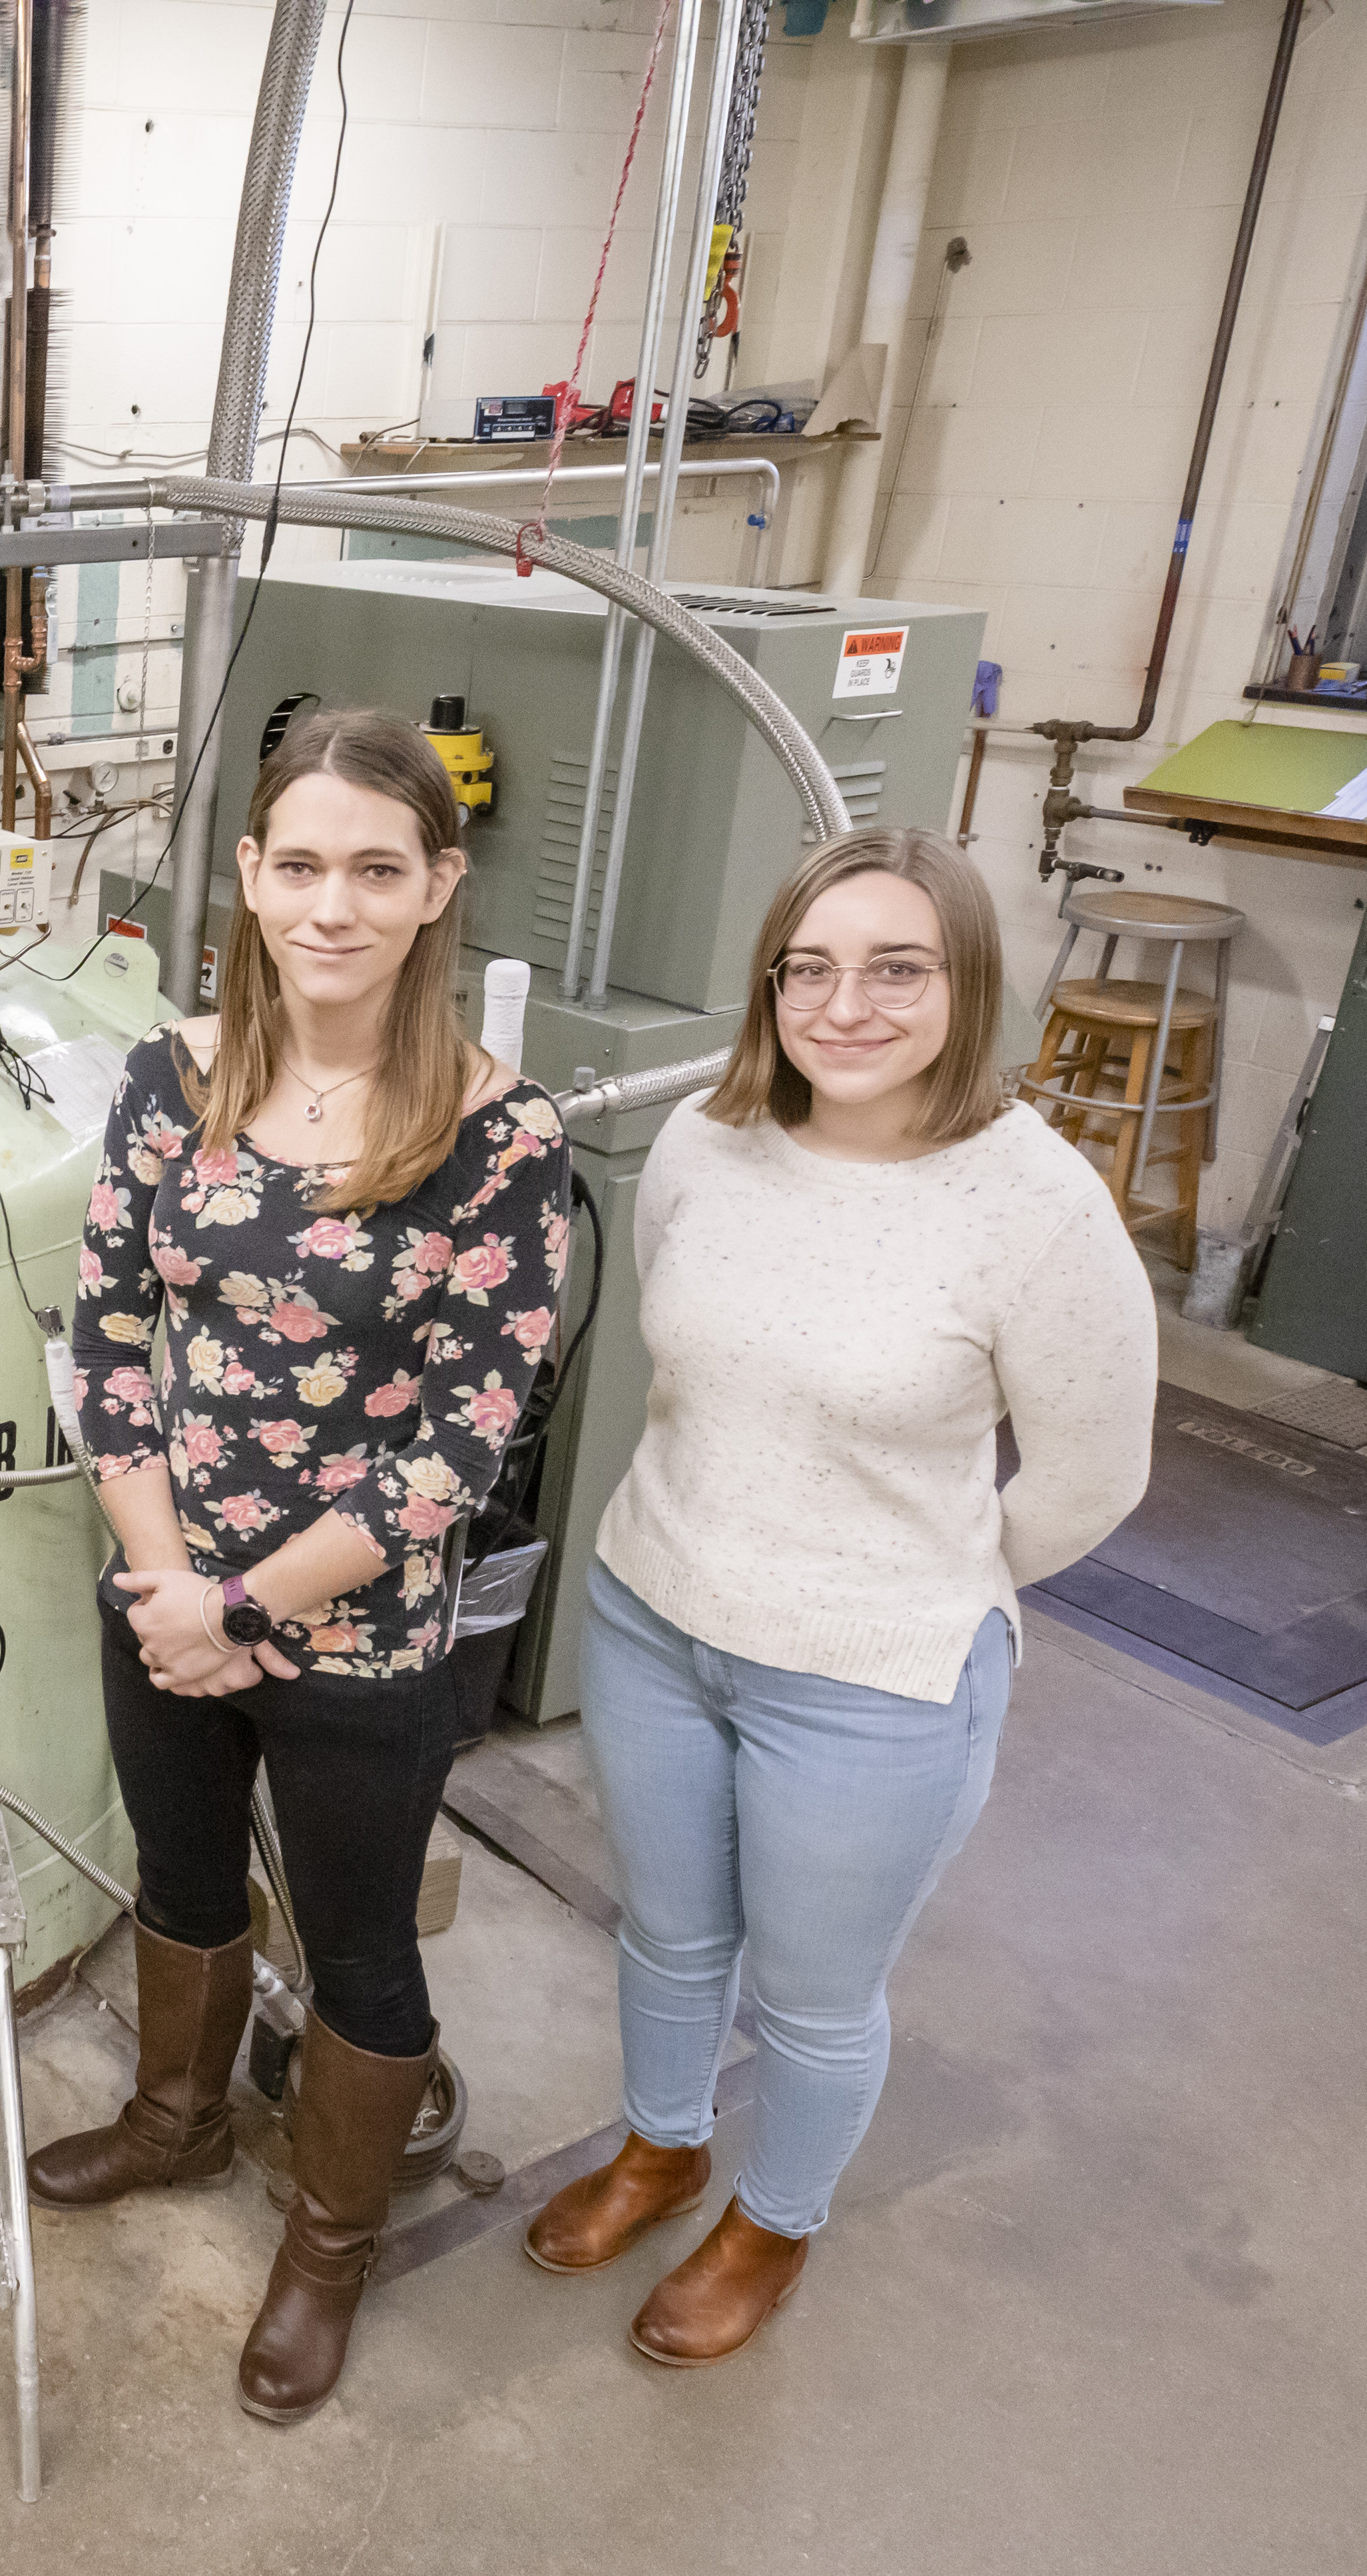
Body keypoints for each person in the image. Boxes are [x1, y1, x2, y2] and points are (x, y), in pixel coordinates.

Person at [525, 824, 1153, 2364]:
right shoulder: (703, 1142)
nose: (845, 1004)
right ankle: (663, 2144)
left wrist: (923, 1579)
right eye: (809, 968)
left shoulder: (1037, 1207)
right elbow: (683, 1366)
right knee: (668, 1935)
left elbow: (1090, 1477)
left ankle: (774, 2217)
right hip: (655, 1611)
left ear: (968, 987)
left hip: (873, 1677)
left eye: (896, 968)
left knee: (812, 1992)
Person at [41, 706, 570, 2424]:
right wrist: (165, 1581)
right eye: (300, 865)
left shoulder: (501, 1143)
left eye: (375, 868)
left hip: (356, 1638)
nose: (331, 904)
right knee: (183, 1880)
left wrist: (246, 1604)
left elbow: (458, 1454)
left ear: (437, 890)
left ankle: (330, 2236)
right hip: (165, 1591)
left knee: (359, 1950)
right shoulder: (168, 1079)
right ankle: (180, 2120)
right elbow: (108, 1333)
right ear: (249, 879)